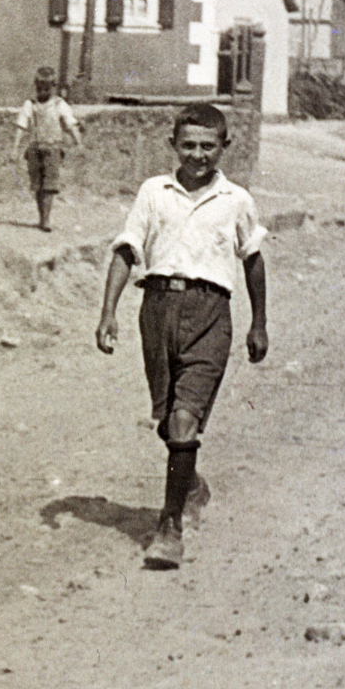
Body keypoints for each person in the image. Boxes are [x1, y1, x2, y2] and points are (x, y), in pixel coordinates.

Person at [94, 103, 268, 570]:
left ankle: (169, 527)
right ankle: (188, 483)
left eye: (207, 146)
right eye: (188, 145)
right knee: (167, 421)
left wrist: (259, 322)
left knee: (184, 420)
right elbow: (127, 250)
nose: (197, 155)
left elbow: (252, 260)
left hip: (211, 313)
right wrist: (108, 311)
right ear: (173, 145)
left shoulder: (236, 200)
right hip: (157, 311)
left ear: (224, 147)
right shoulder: (154, 192)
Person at [11, 66, 83, 232]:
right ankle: (41, 216)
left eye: (46, 89)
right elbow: (21, 126)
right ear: (35, 86)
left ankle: (46, 219)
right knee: (38, 185)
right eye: (39, 88)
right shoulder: (30, 104)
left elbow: (70, 124)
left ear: (53, 88)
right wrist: (15, 148)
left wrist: (79, 143)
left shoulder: (59, 104)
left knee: (50, 185)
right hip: (35, 149)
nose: (42, 92)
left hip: (53, 149)